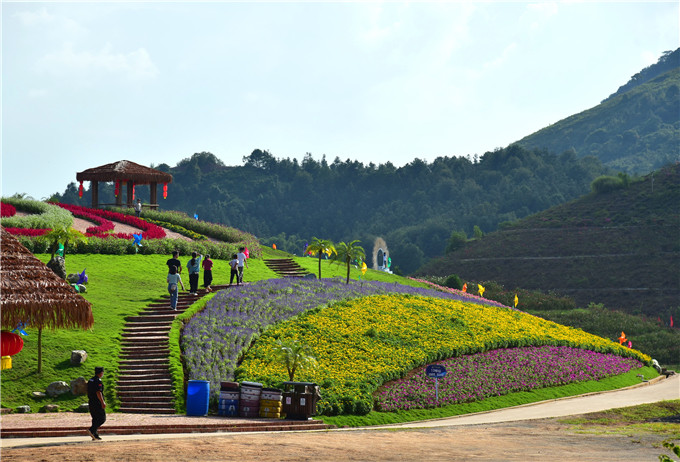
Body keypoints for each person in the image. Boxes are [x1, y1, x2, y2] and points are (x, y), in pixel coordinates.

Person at [87, 366, 106, 441]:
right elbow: (98, 392)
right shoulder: (98, 381)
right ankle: (92, 430)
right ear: (101, 373)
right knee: (102, 418)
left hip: (91, 401)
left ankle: (95, 434)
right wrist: (102, 402)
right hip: (97, 402)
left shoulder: (90, 380)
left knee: (95, 418)